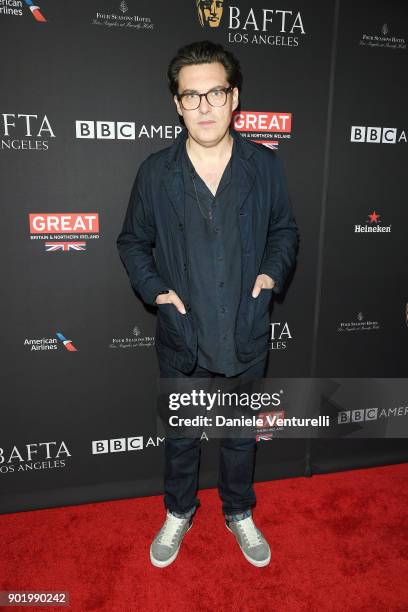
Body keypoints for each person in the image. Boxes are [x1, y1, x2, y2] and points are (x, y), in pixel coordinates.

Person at [116, 40, 299, 568]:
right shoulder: (154, 173)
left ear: (234, 97)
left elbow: (285, 230)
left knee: (241, 436)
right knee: (181, 437)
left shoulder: (264, 168)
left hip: (244, 328)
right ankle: (178, 510)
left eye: (214, 92)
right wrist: (157, 291)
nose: (203, 106)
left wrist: (270, 275)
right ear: (176, 104)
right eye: (190, 95)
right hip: (182, 335)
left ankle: (239, 510)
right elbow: (131, 241)